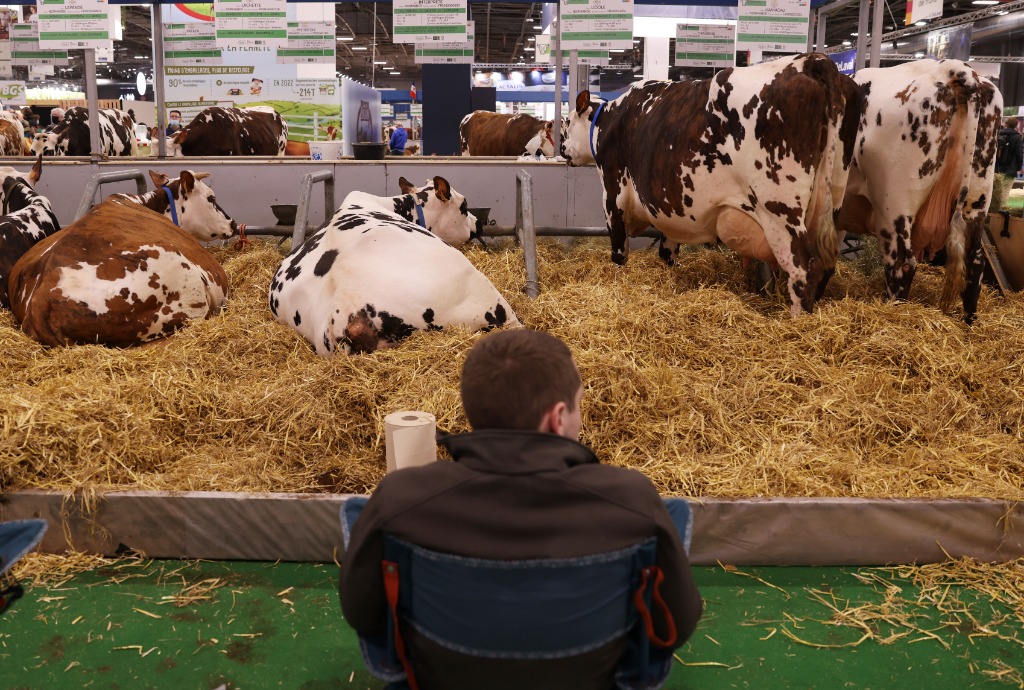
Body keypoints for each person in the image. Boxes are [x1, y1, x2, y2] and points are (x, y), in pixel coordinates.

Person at [339, 328, 703, 690]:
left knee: (364, 513)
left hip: (441, 677)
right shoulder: (631, 497)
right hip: (589, 678)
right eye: (579, 404)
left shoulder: (401, 495)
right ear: (558, 417)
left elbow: (362, 612)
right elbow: (677, 623)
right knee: (669, 514)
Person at [996, 117, 1023, 181]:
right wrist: (1019, 167)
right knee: (1005, 189)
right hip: (1010, 169)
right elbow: (1019, 154)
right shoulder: (1017, 137)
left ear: (1006, 124)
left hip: (997, 168)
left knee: (996, 189)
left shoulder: (998, 134)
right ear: (1016, 125)